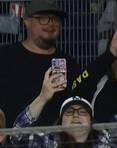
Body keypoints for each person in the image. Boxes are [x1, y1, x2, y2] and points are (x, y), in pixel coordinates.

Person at [0, 0, 78, 131]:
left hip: (54, 145)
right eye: (43, 18)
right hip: (8, 144)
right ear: (27, 21)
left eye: (55, 19)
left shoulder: (69, 63)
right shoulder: (4, 56)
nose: (51, 23)